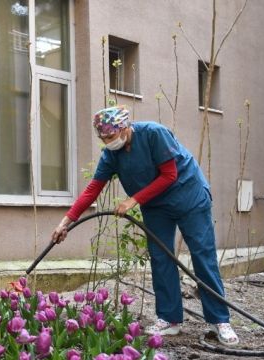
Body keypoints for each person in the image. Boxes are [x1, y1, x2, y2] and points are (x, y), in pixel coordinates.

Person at [51, 105, 239, 346]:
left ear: (125, 128)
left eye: (110, 136)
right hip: (155, 205)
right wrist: (65, 223)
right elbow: (92, 190)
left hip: (188, 196)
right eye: (103, 138)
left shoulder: (153, 133)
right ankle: (170, 319)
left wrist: (133, 200)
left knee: (202, 255)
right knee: (161, 258)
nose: (108, 142)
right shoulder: (111, 155)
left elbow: (169, 175)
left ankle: (220, 320)